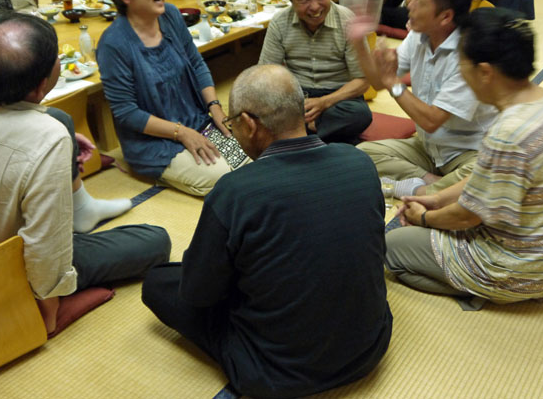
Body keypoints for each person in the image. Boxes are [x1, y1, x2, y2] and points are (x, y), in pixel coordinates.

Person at [142, 64, 392, 399]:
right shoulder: (358, 162)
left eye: (232, 125)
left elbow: (198, 294)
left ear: (247, 123)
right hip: (368, 350)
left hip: (274, 372)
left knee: (159, 282)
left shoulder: (235, 190)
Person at [0, 12, 172, 334]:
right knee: (156, 241)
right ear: (41, 86)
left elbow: (36, 117)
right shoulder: (47, 139)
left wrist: (54, 128)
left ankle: (82, 209)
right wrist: (48, 314)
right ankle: (44, 296)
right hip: (9, 261)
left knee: (61, 120)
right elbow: (45, 249)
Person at [384, 8, 543, 303]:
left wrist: (426, 217)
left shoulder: (509, 133)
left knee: (389, 249)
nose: (459, 72)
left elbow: (469, 216)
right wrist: (437, 199)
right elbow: (487, 178)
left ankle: (483, 288)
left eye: (461, 63)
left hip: (514, 269)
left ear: (485, 72)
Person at [98, 0, 246, 196]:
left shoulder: (171, 16)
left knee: (249, 155)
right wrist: (181, 133)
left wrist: (215, 108)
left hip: (197, 121)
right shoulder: (113, 44)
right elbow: (127, 113)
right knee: (224, 178)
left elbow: (196, 64)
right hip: (155, 143)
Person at [349, 0, 497, 196]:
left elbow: (431, 120)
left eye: (419, 1)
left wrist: (393, 83)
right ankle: (428, 184)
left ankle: (420, 191)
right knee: (361, 154)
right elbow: (377, 83)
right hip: (428, 149)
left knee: (482, 181)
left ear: (445, 16)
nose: (409, 4)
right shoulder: (419, 35)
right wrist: (359, 42)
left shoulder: (469, 53)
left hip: (468, 153)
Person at [259, 0, 371, 144]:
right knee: (259, 110)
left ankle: (296, 138)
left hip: (338, 97)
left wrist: (324, 103)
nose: (315, 7)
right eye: (303, 0)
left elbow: (363, 80)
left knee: (360, 114)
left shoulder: (347, 21)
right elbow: (264, 75)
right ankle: (323, 136)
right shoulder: (280, 23)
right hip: (296, 97)